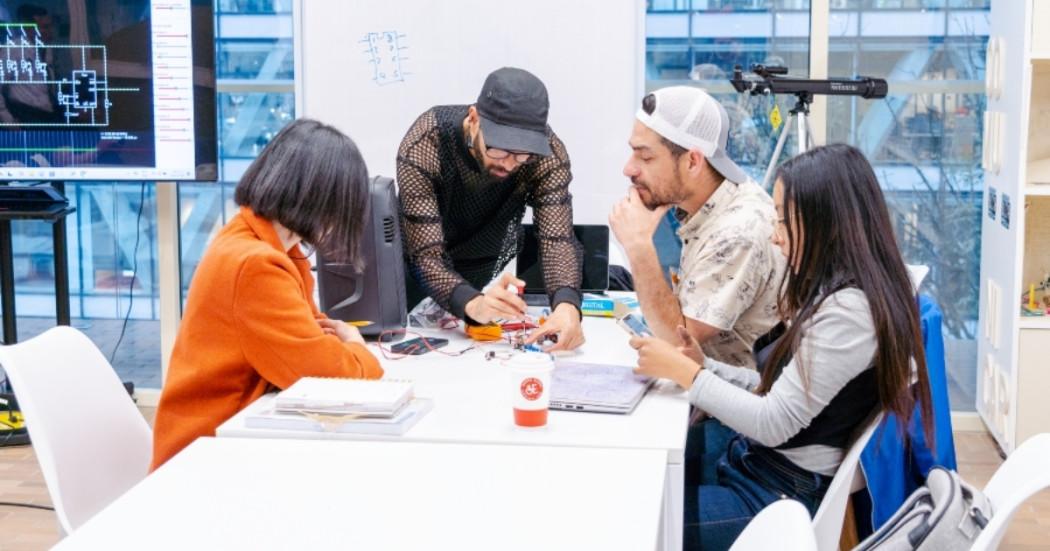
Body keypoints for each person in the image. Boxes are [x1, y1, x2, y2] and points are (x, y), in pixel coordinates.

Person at [630, 143, 935, 550]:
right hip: (760, 468)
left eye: (784, 223)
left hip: (777, 495)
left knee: (641, 521)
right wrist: (703, 365)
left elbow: (773, 421)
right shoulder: (839, 291)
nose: (775, 238)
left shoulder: (850, 312)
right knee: (647, 479)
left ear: (830, 224)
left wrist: (691, 375)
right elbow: (774, 387)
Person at [151, 119, 383, 469]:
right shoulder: (257, 265)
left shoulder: (259, 240)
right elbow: (327, 378)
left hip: (229, 435)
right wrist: (358, 350)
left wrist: (337, 348)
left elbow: (310, 337)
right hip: (205, 458)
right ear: (320, 200)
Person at [396, 67, 583, 351]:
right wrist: (474, 304)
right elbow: (426, 256)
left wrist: (567, 306)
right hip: (416, 269)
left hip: (482, 261)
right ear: (474, 119)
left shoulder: (546, 156)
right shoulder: (426, 142)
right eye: (498, 149)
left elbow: (557, 240)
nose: (509, 163)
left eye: (521, 155)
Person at [610, 86, 783, 368]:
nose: (629, 169)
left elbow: (677, 345)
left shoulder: (738, 231)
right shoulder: (707, 206)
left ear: (693, 161)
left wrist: (639, 246)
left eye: (646, 156)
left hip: (732, 404)